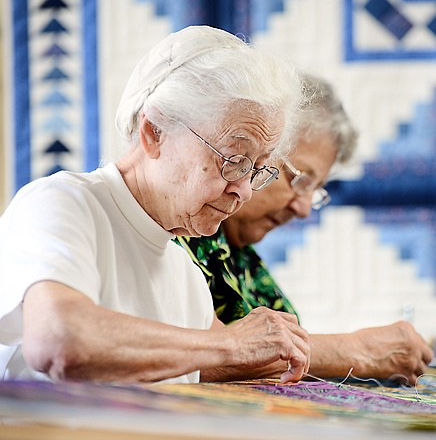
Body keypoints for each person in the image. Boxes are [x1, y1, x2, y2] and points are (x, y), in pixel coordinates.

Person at [0, 25, 311, 384]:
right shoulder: (63, 204)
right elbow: (60, 340)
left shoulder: (185, 272)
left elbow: (221, 359)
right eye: (234, 159)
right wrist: (232, 344)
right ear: (155, 132)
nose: (243, 190)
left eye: (257, 169)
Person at [177, 73, 434, 385]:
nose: (302, 209)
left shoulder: (239, 256)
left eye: (315, 191)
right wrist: (357, 351)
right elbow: (194, 357)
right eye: (301, 181)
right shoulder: (182, 227)